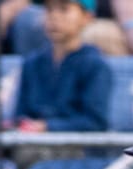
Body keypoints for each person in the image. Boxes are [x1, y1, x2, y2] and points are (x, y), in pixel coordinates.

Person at [11, 0, 112, 134]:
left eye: (64, 9)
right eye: (49, 10)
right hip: (31, 147)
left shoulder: (95, 65)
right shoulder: (31, 63)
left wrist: (47, 127)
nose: (54, 17)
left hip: (78, 151)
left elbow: (96, 122)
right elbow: (21, 115)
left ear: (87, 17)